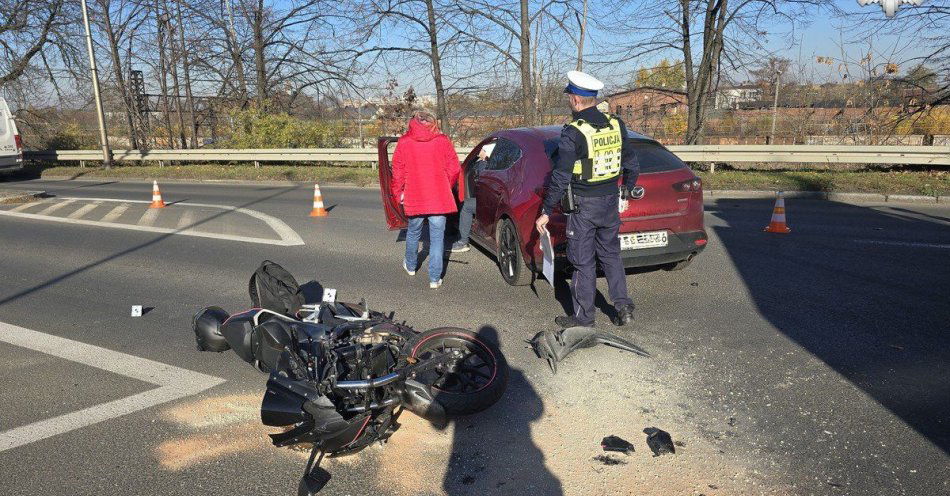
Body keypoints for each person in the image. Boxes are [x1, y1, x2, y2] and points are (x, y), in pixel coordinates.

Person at [535, 71, 640, 328]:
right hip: (610, 201)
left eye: (570, 97)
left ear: (575, 99)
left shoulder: (574, 132)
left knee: (582, 262)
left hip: (584, 206)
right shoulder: (616, 123)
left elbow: (561, 175)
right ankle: (623, 307)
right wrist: (626, 189)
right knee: (611, 255)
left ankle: (584, 319)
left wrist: (547, 210)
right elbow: (631, 163)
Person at [391, 111, 461, 289]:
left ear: (414, 122)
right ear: (432, 123)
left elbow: (397, 171)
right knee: (437, 239)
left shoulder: (404, 142)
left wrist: (397, 193)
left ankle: (411, 265)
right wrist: (446, 184)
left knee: (413, 233)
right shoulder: (442, 140)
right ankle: (434, 278)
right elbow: (454, 169)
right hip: (439, 197)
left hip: (415, 196)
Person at [451, 142, 495, 253]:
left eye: (482, 150)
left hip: (488, 202)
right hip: (495, 200)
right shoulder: (496, 163)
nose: (480, 152)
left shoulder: (483, 164)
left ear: (487, 152)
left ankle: (462, 241)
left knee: (466, 206)